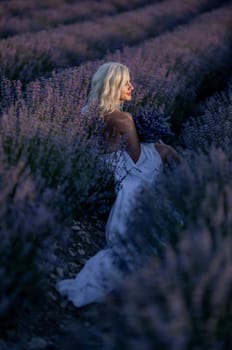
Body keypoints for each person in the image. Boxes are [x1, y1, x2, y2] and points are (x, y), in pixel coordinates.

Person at [56, 62, 180, 307]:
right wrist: (152, 139)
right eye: (126, 83)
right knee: (167, 152)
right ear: (114, 86)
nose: (132, 86)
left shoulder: (85, 110)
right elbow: (135, 158)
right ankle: (187, 185)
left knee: (160, 149)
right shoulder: (124, 118)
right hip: (124, 167)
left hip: (101, 164)